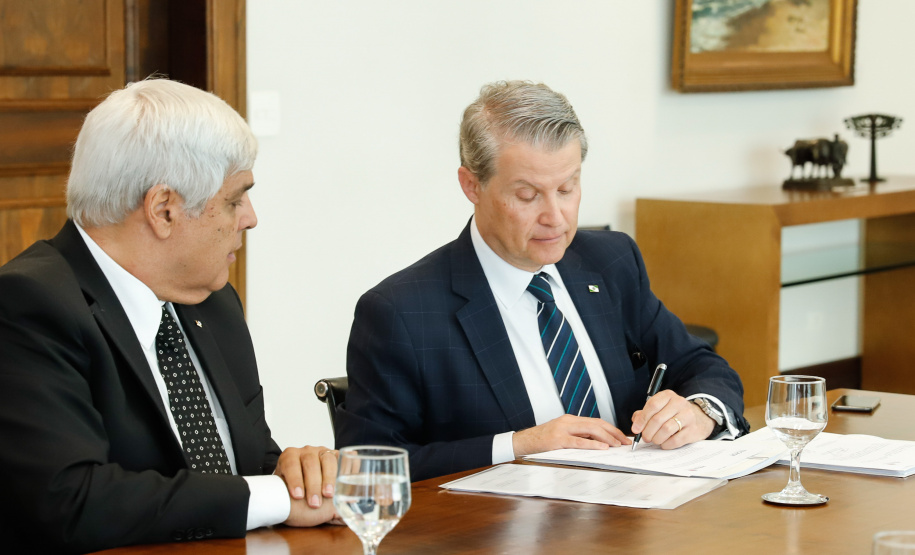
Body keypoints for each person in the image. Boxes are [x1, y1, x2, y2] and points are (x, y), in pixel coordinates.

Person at [336, 80, 750, 482]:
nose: (555, 217)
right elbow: (367, 468)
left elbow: (702, 366)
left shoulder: (611, 262)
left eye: (567, 188)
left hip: (638, 513)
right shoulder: (401, 312)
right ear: (471, 185)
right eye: (528, 195)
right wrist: (518, 445)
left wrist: (699, 412)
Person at [0, 79, 338, 553]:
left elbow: (248, 463)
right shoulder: (28, 304)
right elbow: (70, 500)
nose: (250, 218)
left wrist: (297, 474)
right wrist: (274, 497)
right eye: (234, 199)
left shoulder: (213, 303)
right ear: (163, 210)